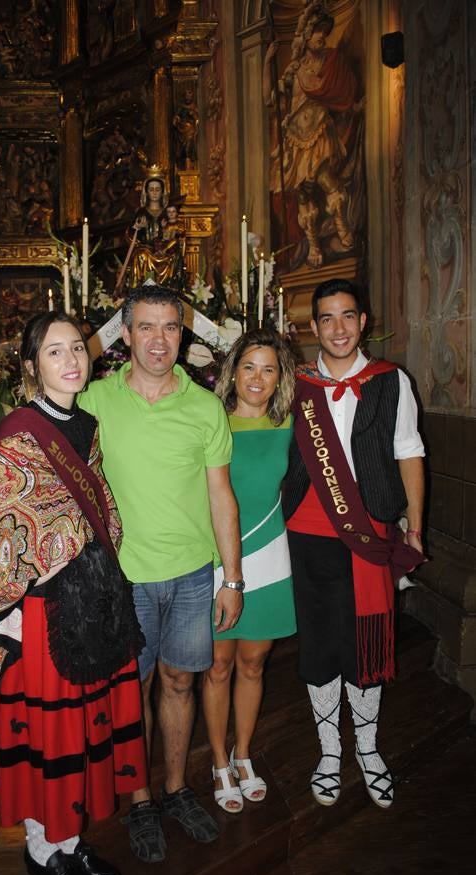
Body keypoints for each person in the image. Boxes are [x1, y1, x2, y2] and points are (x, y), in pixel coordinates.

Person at [0, 311, 148, 875]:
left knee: (85, 727)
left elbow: (97, 504)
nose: (71, 361)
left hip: (91, 597)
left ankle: (69, 841)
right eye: (55, 352)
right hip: (39, 609)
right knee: (48, 733)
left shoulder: (85, 424)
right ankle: (43, 850)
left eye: (77, 350)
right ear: (33, 367)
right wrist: (51, 549)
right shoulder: (20, 429)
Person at [79, 284, 243, 862]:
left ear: (184, 334)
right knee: (134, 689)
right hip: (124, 579)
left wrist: (232, 577)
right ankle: (141, 798)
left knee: (180, 682)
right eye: (145, 327)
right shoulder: (94, 399)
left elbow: (222, 497)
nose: (158, 340)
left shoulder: (204, 407)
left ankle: (175, 787)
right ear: (124, 334)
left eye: (170, 327)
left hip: (194, 575)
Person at [283, 278, 425, 810]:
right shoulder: (294, 385)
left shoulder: (391, 381)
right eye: (326, 319)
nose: (338, 328)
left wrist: (415, 524)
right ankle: (328, 752)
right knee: (320, 642)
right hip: (307, 533)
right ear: (312, 326)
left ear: (362, 321)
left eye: (347, 317)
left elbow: (409, 451)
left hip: (371, 534)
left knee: (366, 642)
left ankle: (367, 749)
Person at [203, 328, 297, 813]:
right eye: (248, 367)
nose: (257, 378)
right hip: (221, 556)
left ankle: (243, 754)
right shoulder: (210, 420)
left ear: (279, 375)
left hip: (271, 554)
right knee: (218, 665)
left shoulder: (289, 424)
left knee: (254, 663)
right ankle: (219, 760)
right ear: (232, 372)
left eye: (268, 368)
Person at [262, 2, 363, 268]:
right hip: (296, 141)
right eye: (317, 31)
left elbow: (338, 90)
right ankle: (314, 245)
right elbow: (269, 99)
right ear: (306, 35)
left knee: (326, 179)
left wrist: (351, 107)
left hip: (319, 133)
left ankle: (342, 227)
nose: (321, 36)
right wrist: (267, 63)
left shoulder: (330, 62)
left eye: (324, 32)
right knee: (303, 195)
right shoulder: (293, 71)